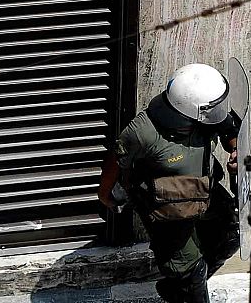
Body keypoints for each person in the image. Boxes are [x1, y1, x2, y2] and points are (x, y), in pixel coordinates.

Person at [98, 63, 241, 303]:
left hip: (205, 191)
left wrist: (236, 151)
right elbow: (115, 160)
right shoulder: (143, 131)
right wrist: (105, 195)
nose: (218, 113)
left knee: (229, 237)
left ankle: (179, 288)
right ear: (190, 111)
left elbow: (229, 133)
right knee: (188, 273)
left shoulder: (207, 113)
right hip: (169, 211)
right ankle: (185, 286)